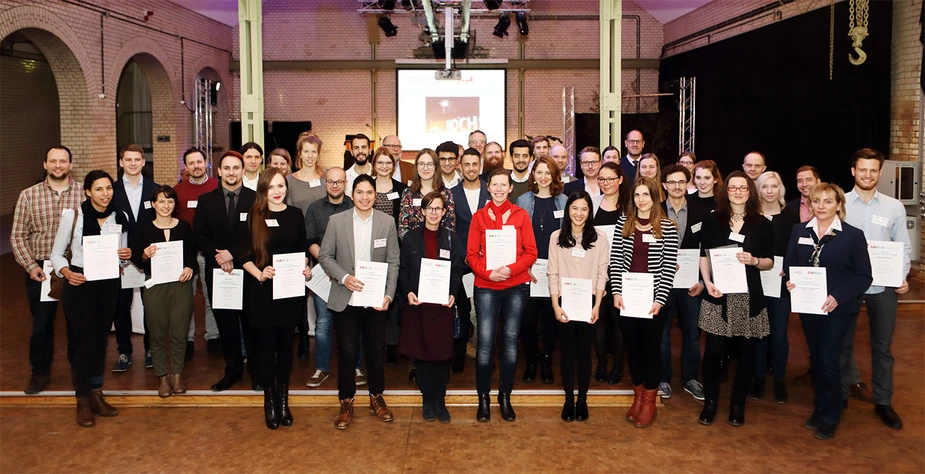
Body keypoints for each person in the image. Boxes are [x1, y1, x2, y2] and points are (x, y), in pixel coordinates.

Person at [784, 182, 872, 440]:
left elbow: (863, 276)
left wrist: (837, 296)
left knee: (829, 360)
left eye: (828, 201)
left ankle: (831, 415)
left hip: (838, 309)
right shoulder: (799, 230)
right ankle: (820, 406)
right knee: (815, 358)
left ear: (839, 205)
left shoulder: (853, 235)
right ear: (810, 204)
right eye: (816, 201)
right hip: (809, 306)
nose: (821, 206)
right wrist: (790, 280)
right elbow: (791, 263)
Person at [318, 174, 400, 431]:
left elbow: (394, 262)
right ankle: (346, 400)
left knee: (376, 350)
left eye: (370, 193)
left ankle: (377, 397)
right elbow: (324, 255)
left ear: (376, 196)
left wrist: (388, 294)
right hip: (347, 298)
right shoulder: (336, 221)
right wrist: (344, 277)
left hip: (376, 300)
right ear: (352, 194)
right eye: (360, 192)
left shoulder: (387, 222)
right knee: (348, 353)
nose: (365, 197)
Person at [51, 170, 131, 427]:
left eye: (108, 188)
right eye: (99, 189)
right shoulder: (73, 217)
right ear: (87, 191)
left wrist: (125, 255)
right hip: (80, 284)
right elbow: (56, 254)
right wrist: (66, 272)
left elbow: (123, 255)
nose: (105, 194)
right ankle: (82, 399)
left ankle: (97, 393)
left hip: (108, 285)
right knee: (84, 343)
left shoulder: (120, 217)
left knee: (101, 342)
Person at [840, 148, 911, 430]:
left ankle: (883, 401)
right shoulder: (840, 203)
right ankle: (842, 391)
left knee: (882, 348)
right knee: (842, 344)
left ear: (880, 173)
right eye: (862, 169)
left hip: (883, 287)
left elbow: (903, 246)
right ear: (853, 171)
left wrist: (902, 276)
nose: (868, 175)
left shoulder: (894, 207)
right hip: (847, 287)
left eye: (873, 170)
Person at [697, 171, 773, 427]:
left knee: (746, 355)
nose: (738, 192)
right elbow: (704, 255)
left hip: (749, 297)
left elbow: (769, 262)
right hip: (718, 296)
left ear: (750, 192)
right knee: (712, 354)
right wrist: (707, 282)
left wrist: (754, 260)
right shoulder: (712, 221)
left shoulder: (762, 224)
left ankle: (738, 404)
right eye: (733, 188)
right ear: (725, 191)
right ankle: (710, 402)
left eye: (743, 188)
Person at [239, 168, 312, 429]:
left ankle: (283, 402)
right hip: (262, 293)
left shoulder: (295, 214)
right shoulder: (254, 215)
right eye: (271, 187)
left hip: (289, 292)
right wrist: (260, 273)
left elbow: (302, 248)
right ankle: (269, 402)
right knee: (266, 349)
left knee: (285, 348)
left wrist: (306, 266)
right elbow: (243, 255)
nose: (277, 192)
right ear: (263, 190)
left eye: (281, 186)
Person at [11, 146, 85, 394]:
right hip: (42, 270)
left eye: (62, 161)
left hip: (75, 268)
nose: (57, 165)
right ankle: (40, 372)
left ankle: (79, 370)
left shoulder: (83, 194)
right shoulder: (28, 196)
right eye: (53, 161)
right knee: (42, 324)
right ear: (44, 164)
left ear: (70, 164)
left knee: (76, 323)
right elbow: (18, 236)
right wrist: (30, 266)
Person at [468, 167, 538, 423]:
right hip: (486, 286)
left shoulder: (521, 215)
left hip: (516, 285)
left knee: (510, 341)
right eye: (494, 184)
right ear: (488, 188)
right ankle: (483, 397)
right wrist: (489, 275)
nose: (498, 189)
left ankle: (505, 396)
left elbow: (531, 252)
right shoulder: (479, 218)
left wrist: (510, 269)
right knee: (485, 343)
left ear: (510, 188)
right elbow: (471, 255)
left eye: (503, 185)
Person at [609, 177, 679, 428]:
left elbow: (669, 267)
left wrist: (660, 299)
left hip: (654, 302)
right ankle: (638, 397)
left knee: (652, 350)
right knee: (634, 348)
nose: (641, 199)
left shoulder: (668, 227)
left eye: (646, 195)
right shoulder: (623, 223)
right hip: (628, 299)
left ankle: (650, 400)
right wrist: (616, 292)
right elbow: (616, 260)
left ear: (655, 197)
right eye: (637, 195)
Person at [193, 151, 261, 391]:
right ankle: (232, 371)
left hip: (248, 270)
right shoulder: (206, 200)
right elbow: (199, 235)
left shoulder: (256, 199)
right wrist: (220, 255)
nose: (231, 172)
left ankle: (256, 372)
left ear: (243, 171)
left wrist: (233, 254)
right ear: (219, 171)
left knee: (251, 323)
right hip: (218, 272)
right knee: (226, 324)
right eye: (227, 168)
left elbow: (258, 235)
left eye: (236, 168)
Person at [398, 191, 467, 423]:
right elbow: (404, 270)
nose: (434, 213)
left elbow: (458, 269)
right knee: (421, 356)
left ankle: (440, 400)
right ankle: (427, 400)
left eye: (438, 208)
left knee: (441, 356)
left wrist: (452, 293)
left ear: (444, 212)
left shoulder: (452, 239)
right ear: (422, 211)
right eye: (430, 208)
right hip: (418, 306)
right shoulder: (410, 239)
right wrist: (408, 291)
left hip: (442, 306)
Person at [130, 185, 197, 398]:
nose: (165, 206)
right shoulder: (144, 229)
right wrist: (144, 256)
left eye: (170, 201)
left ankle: (176, 374)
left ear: (174, 204)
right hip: (155, 286)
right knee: (157, 334)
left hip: (180, 286)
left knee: (179, 333)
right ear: (153, 204)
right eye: (161, 201)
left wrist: (189, 267)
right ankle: (162, 377)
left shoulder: (184, 227)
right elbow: (136, 258)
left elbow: (192, 256)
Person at [547, 191, 609, 422]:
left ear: (589, 211)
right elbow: (552, 273)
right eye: (574, 208)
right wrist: (555, 305)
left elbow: (603, 273)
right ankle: (568, 399)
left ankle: (582, 399)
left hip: (590, 303)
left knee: (584, 353)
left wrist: (598, 305)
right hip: (564, 302)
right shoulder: (556, 237)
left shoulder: (600, 238)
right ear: (568, 210)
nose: (579, 213)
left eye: (584, 209)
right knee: (567, 353)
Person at [658, 164, 709, 401]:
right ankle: (663, 378)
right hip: (662, 284)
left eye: (681, 182)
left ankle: (690, 378)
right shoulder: (655, 211)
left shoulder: (702, 212)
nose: (677, 187)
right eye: (672, 182)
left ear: (688, 184)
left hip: (692, 285)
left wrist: (702, 281)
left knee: (691, 334)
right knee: (663, 333)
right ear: (664, 185)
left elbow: (708, 250)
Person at [303, 167, 357, 388]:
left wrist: (343, 272)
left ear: (346, 183)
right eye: (331, 182)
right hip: (323, 275)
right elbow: (310, 240)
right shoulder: (314, 209)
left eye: (339, 182)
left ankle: (357, 366)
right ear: (325, 183)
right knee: (323, 324)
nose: (335, 186)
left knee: (354, 323)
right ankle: (322, 368)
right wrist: (328, 265)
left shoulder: (355, 206)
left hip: (350, 275)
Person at [516, 156, 566, 385]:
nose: (543, 176)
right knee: (527, 321)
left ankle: (546, 359)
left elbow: (569, 238)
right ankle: (532, 360)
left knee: (550, 321)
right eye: (539, 172)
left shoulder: (564, 201)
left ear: (554, 175)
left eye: (548, 172)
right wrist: (523, 267)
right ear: (533, 174)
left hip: (555, 270)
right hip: (529, 270)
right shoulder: (522, 200)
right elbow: (515, 238)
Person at [750, 171, 800, 403]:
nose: (769, 191)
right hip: (755, 283)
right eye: (764, 186)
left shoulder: (792, 218)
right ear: (757, 190)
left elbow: (798, 250)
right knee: (759, 333)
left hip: (780, 284)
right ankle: (759, 377)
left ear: (780, 189)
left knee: (779, 334)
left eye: (774, 186)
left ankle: (779, 380)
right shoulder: (752, 217)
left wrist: (789, 269)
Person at [112, 144, 158, 371]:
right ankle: (124, 352)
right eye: (128, 159)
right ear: (121, 162)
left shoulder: (154, 189)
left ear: (143, 162)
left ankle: (151, 349)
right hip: (121, 259)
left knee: (152, 306)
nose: (132, 163)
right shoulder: (110, 190)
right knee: (121, 306)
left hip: (149, 257)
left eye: (136, 159)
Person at [173, 148, 221, 358]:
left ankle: (213, 336)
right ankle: (188, 339)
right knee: (186, 298)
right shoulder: (178, 191)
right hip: (186, 254)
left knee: (212, 296)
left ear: (206, 163)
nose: (196, 166)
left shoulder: (217, 187)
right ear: (186, 167)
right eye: (191, 163)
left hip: (210, 251)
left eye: (199, 162)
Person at [450, 148, 490, 372]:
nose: (471, 168)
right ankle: (459, 353)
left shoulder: (491, 190)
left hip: (488, 263)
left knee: (487, 310)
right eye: (467, 164)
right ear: (460, 166)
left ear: (480, 165)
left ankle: (486, 354)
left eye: (475, 164)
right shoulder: (451, 194)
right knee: (462, 309)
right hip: (462, 262)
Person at [371, 146, 407, 364]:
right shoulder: (366, 186)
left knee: (393, 298)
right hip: (369, 251)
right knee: (373, 298)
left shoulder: (402, 189)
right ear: (374, 164)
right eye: (380, 162)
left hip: (394, 250)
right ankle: (375, 343)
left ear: (394, 166)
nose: (384, 166)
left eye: (388, 162)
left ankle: (392, 344)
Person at [590, 162, 625, 384]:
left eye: (611, 178)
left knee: (619, 320)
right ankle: (601, 363)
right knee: (599, 318)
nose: (606, 183)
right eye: (602, 179)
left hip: (625, 272)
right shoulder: (592, 205)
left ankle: (619, 366)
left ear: (620, 179)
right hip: (597, 271)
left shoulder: (630, 206)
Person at [398, 149, 456, 239]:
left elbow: (450, 225)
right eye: (421, 164)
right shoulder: (408, 194)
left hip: (439, 248)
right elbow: (402, 228)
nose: (425, 168)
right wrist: (414, 247)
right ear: (416, 166)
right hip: (413, 249)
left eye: (430, 164)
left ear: (436, 166)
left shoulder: (446, 194)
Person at [287, 132, 327, 212]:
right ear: (300, 154)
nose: (310, 156)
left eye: (314, 152)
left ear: (318, 154)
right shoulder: (289, 180)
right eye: (306, 151)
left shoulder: (327, 176)